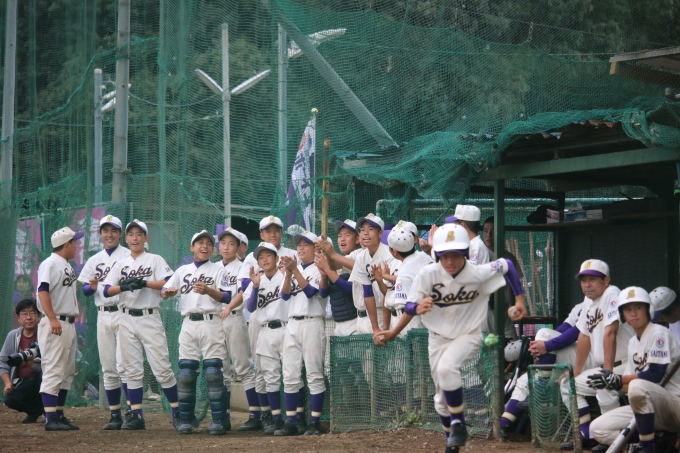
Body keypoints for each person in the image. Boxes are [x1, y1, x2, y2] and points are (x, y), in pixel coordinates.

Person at [378, 223, 525, 453]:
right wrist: (409, 315)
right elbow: (408, 305)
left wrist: (520, 300)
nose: (450, 261)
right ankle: (452, 443)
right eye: (445, 255)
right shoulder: (428, 274)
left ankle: (458, 423)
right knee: (440, 400)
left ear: (465, 253)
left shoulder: (475, 272)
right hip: (437, 339)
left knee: (448, 368)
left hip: (467, 335)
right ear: (437, 255)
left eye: (455, 255)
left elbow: (507, 266)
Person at [102, 219, 179, 431]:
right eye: (131, 234)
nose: (135, 238)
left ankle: (177, 412)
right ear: (126, 239)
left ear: (146, 238)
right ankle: (136, 415)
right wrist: (123, 287)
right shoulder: (121, 264)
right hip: (126, 317)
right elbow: (106, 290)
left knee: (162, 368)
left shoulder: (154, 259)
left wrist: (145, 283)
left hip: (149, 317)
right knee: (131, 370)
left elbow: (169, 281)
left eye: (139, 234)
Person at [589, 287, 680, 453]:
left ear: (648, 310)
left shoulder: (660, 333)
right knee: (597, 429)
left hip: (673, 405)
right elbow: (628, 386)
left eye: (638, 307)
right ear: (622, 315)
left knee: (638, 385)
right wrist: (612, 383)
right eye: (627, 309)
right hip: (650, 409)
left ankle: (647, 447)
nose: (633, 313)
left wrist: (618, 379)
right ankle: (659, 439)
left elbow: (655, 374)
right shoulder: (632, 343)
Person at [558, 259, 634, 451]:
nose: (587, 284)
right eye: (584, 280)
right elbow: (584, 336)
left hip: (627, 365)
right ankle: (589, 436)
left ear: (606, 280)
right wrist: (576, 370)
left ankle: (615, 442)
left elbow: (611, 332)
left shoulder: (612, 293)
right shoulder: (588, 301)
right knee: (568, 384)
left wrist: (607, 372)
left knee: (603, 384)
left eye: (592, 279)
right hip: (609, 366)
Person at [162, 230, 231, 435]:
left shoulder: (219, 270)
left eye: (208, 243)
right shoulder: (183, 271)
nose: (204, 246)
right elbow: (164, 291)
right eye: (200, 242)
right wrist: (167, 293)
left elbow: (227, 297)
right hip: (188, 323)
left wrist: (209, 290)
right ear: (192, 247)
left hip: (211, 322)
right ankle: (186, 420)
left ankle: (219, 421)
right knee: (186, 373)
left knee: (213, 373)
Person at [236, 216, 297, 432]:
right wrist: (257, 282)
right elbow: (246, 290)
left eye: (276, 230)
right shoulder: (252, 260)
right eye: (267, 230)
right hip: (261, 324)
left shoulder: (291, 255)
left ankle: (296, 417)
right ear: (261, 234)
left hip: (288, 323)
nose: (272, 234)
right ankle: (267, 416)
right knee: (264, 371)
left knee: (292, 372)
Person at [500, 301, 590, 438]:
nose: (586, 288)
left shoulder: (601, 302)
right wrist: (538, 347)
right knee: (526, 379)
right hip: (575, 356)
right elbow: (559, 332)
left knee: (544, 334)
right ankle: (503, 426)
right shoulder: (579, 306)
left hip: (590, 355)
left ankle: (540, 390)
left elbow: (575, 333)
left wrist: (546, 345)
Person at [77, 214, 131, 430]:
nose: (109, 235)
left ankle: (133, 412)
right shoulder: (94, 259)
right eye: (106, 231)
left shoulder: (128, 255)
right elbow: (85, 290)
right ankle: (115, 415)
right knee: (108, 366)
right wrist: (91, 286)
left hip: (123, 313)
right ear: (100, 234)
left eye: (113, 231)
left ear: (120, 234)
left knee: (125, 365)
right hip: (102, 314)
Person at [276, 231, 327, 436]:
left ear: (315, 248)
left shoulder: (319, 267)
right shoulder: (294, 269)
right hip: (292, 324)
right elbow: (284, 295)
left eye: (306, 244)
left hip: (312, 323)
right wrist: (288, 274)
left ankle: (314, 422)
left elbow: (311, 292)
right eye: (299, 245)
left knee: (314, 373)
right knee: (289, 375)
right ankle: (291, 422)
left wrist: (294, 269)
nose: (301, 248)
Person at [36, 226, 84, 431]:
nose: (77, 246)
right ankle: (50, 418)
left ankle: (58, 414)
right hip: (55, 323)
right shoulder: (50, 263)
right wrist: (52, 318)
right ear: (67, 244)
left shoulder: (66, 265)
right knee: (54, 369)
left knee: (67, 372)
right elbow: (42, 291)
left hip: (67, 323)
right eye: (75, 242)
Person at [244, 242, 287, 435]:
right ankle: (275, 419)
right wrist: (255, 286)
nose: (264, 260)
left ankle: (296, 418)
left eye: (268, 256)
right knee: (269, 376)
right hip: (265, 331)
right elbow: (250, 307)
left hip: (286, 328)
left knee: (291, 374)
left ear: (276, 258)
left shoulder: (285, 276)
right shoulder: (256, 280)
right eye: (261, 257)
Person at [216, 227, 258, 430]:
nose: (226, 247)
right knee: (221, 369)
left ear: (239, 247)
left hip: (234, 318)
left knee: (243, 367)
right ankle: (223, 417)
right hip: (216, 320)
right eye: (223, 243)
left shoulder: (242, 267)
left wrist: (229, 306)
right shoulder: (213, 267)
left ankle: (256, 414)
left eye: (232, 243)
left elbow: (242, 292)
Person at [348, 213, 395, 339]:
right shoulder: (361, 257)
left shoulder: (389, 254)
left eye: (370, 229)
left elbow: (387, 294)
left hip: (390, 312)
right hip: (370, 314)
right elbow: (367, 292)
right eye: (362, 230)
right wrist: (375, 329)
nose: (365, 233)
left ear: (380, 233)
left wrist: (385, 328)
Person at [382, 222, 432, 337]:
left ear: (395, 252)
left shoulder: (404, 274)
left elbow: (408, 309)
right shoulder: (425, 256)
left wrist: (393, 332)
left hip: (409, 323)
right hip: (425, 319)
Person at [315, 219, 361, 336]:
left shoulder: (361, 255)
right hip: (338, 323)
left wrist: (328, 266)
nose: (342, 239)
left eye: (347, 235)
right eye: (340, 236)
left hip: (356, 321)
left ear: (357, 239)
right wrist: (324, 275)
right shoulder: (335, 262)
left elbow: (349, 289)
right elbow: (324, 293)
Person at [1, 299, 44, 423]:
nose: (29, 317)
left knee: (44, 377)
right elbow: (3, 361)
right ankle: (35, 412)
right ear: (19, 318)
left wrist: (32, 365)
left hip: (41, 379)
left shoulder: (44, 335)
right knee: (9, 399)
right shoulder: (13, 335)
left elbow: (52, 366)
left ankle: (49, 412)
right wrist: (8, 383)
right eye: (24, 314)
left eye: (32, 313)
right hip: (21, 382)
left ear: (39, 316)